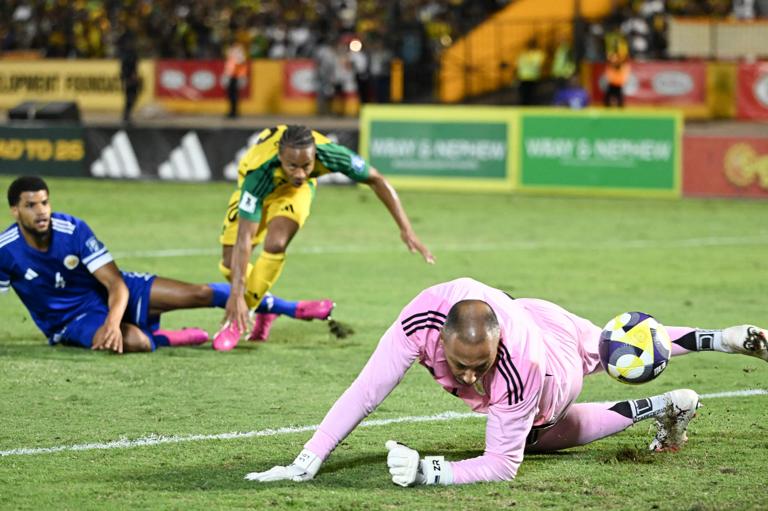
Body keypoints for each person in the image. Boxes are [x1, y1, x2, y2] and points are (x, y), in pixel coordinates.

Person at [243, 277, 768, 486]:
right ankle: (718, 339)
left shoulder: (519, 371)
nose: (470, 376)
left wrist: (431, 471)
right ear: (439, 337)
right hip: (541, 314)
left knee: (537, 439)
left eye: (480, 365)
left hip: (552, 373)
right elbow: (366, 389)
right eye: (460, 363)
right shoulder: (416, 323)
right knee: (616, 346)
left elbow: (503, 465)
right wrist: (308, 457)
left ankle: (660, 405)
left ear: (496, 346)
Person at [0, 176, 329, 353]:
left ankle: (289, 307)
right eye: (31, 205)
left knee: (199, 292)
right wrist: (114, 328)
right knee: (137, 343)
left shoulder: (72, 230)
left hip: (115, 294)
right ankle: (172, 336)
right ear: (15, 211)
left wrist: (113, 321)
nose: (41, 211)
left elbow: (115, 283)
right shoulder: (6, 251)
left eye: (45, 202)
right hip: (70, 322)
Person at [214, 125, 434, 351]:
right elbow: (244, 238)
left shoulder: (330, 154)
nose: (300, 173)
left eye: (306, 165)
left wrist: (407, 229)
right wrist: (237, 294)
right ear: (280, 157)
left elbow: (376, 179)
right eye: (292, 166)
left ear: (314, 156)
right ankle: (268, 307)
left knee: (276, 243)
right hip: (256, 192)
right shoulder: (258, 173)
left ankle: (236, 323)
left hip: (293, 194)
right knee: (231, 263)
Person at [516, 38, 545, 106]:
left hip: (532, 79)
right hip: (524, 78)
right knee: (525, 98)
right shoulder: (525, 54)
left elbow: (540, 65)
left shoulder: (536, 54)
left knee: (531, 98)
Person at [224, 38, 248, 119]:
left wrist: (241, 76)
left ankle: (234, 112)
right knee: (231, 95)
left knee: (234, 95)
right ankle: (232, 111)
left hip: (235, 76)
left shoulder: (238, 51)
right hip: (231, 75)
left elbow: (240, 63)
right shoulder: (232, 51)